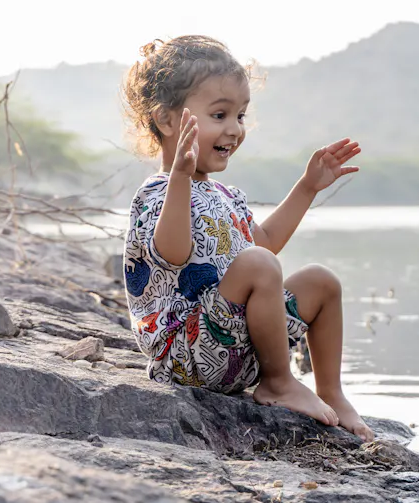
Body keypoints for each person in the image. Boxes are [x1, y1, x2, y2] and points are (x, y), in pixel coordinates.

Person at [121, 35, 373, 442]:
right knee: (258, 264)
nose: (235, 129)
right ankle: (279, 382)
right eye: (219, 115)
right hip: (189, 356)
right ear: (167, 121)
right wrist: (181, 180)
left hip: (238, 348)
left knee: (320, 281)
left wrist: (308, 186)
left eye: (240, 115)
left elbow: (265, 240)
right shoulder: (157, 194)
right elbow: (173, 251)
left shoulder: (225, 195)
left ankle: (331, 391)